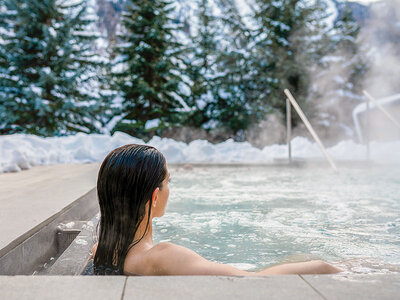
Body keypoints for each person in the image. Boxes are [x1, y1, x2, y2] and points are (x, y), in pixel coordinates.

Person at [92, 144, 342, 275]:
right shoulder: (162, 257)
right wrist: (322, 266)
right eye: (169, 182)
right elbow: (251, 283)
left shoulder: (103, 250)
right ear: (154, 196)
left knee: (293, 260)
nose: (170, 188)